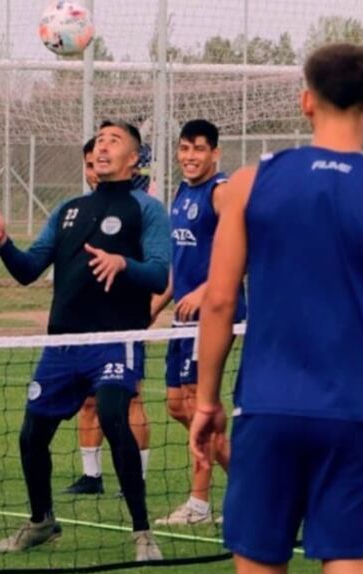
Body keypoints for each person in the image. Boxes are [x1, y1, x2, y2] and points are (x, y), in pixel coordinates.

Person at [191, 44, 363, 574]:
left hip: (268, 413)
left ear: (305, 101)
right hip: (357, 417)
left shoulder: (252, 185)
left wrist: (206, 402)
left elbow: (220, 302)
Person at [0, 121, 170, 561]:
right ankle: (41, 521)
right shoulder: (69, 209)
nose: (103, 147)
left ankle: (143, 533)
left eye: (114, 141)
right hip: (64, 342)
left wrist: (124, 264)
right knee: (31, 436)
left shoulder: (146, 209)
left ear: (134, 159)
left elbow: (160, 272)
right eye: (99, 140)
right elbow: (29, 269)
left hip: (114, 338)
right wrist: (5, 241)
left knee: (111, 413)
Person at [150, 119, 244, 525]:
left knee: (196, 403)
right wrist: (156, 304)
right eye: (185, 148)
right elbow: (179, 262)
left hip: (212, 314)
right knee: (176, 406)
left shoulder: (220, 192)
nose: (190, 156)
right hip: (183, 317)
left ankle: (200, 504)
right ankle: (251, 487)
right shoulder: (181, 192)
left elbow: (247, 249)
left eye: (199, 149)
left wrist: (206, 291)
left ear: (215, 153)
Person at [64, 138, 152, 497]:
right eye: (87, 165)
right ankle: (91, 476)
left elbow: (157, 267)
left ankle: (138, 477)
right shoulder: (76, 212)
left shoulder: (140, 210)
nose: (94, 171)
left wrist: (147, 312)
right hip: (84, 323)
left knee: (129, 397)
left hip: (123, 321)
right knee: (87, 400)